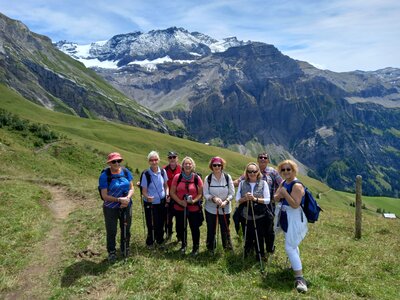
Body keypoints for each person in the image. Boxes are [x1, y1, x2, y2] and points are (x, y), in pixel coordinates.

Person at [234, 153, 282, 257]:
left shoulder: (273, 172)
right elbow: (239, 181)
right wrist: (227, 184)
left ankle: (269, 249)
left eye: (265, 158)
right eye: (261, 157)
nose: (263, 159)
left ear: (268, 160)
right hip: (250, 209)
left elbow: (281, 184)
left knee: (268, 229)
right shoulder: (251, 170)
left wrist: (277, 195)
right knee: (252, 229)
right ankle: (252, 249)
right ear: (257, 159)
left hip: (269, 205)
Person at [274, 159, 308, 293]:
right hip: (286, 216)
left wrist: (284, 194)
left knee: (289, 247)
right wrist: (280, 194)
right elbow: (275, 197)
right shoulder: (283, 182)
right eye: (283, 170)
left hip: (294, 217)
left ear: (294, 170)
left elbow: (295, 204)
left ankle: (300, 278)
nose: (286, 172)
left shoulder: (296, 185)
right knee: (292, 245)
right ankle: (295, 266)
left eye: (289, 169)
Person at [99, 152, 134, 262]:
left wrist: (127, 198)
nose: (117, 163)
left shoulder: (125, 172)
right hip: (110, 208)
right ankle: (112, 252)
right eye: (114, 161)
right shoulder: (105, 176)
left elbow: (131, 188)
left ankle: (125, 248)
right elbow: (104, 195)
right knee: (111, 230)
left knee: (126, 229)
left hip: (126, 205)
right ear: (109, 163)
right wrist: (119, 200)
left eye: (119, 161)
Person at [170, 156, 203, 256]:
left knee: (194, 228)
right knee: (181, 227)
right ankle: (183, 245)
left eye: (189, 163)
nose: (188, 165)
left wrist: (193, 201)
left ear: (192, 165)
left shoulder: (197, 178)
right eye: (185, 164)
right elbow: (172, 192)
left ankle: (195, 248)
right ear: (182, 166)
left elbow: (201, 194)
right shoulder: (177, 177)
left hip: (194, 208)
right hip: (180, 208)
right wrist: (180, 202)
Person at [236, 162, 270, 259]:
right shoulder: (242, 183)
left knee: (259, 236)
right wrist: (245, 198)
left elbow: (267, 200)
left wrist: (255, 199)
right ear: (246, 172)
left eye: (254, 171)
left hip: (260, 215)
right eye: (249, 171)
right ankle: (247, 254)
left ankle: (260, 255)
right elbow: (237, 199)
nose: (252, 173)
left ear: (258, 172)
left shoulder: (264, 183)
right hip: (245, 215)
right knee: (247, 236)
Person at [203, 156, 235, 252]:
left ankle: (227, 249)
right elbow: (205, 193)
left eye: (219, 165)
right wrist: (213, 198)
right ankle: (210, 248)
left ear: (222, 166)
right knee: (211, 229)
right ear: (211, 166)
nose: (217, 167)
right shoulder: (208, 178)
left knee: (225, 229)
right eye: (214, 165)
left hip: (225, 208)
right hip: (211, 208)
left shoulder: (227, 177)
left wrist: (226, 201)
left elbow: (232, 193)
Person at [140, 151, 169, 247]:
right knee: (151, 223)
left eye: (156, 160)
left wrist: (167, 194)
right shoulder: (146, 174)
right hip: (151, 203)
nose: (154, 162)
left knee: (161, 222)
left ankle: (160, 240)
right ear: (149, 162)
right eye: (151, 160)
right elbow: (143, 190)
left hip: (162, 202)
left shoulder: (163, 172)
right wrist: (147, 197)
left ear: (159, 160)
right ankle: (150, 242)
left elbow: (166, 185)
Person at [163, 151, 181, 241]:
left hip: (178, 199)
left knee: (179, 219)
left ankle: (179, 237)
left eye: (174, 157)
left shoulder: (182, 169)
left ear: (177, 158)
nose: (172, 159)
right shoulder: (164, 170)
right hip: (168, 198)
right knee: (168, 219)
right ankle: (168, 234)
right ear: (168, 159)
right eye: (170, 157)